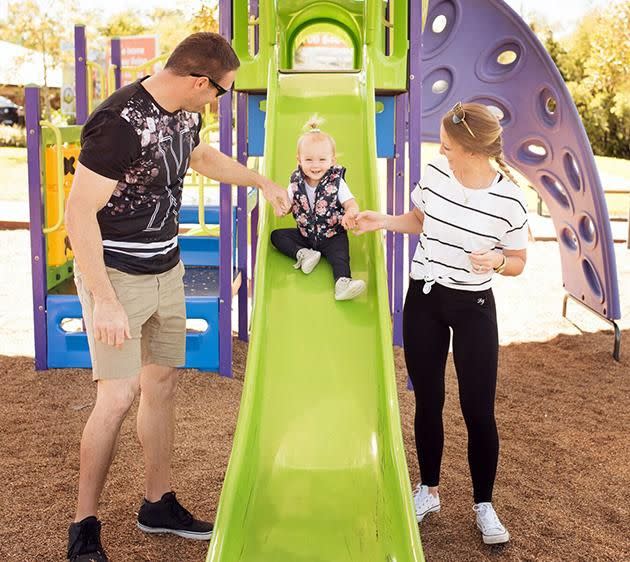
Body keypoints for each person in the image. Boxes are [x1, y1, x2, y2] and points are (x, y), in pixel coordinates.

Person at [64, 32, 290, 562]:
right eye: (222, 91)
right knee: (117, 398)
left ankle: (157, 503)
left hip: (167, 269)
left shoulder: (185, 112)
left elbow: (199, 155)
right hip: (116, 276)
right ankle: (83, 524)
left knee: (160, 384)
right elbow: (78, 213)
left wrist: (260, 180)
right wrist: (105, 300)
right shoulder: (120, 123)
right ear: (198, 81)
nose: (219, 100)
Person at [356, 102, 528, 545]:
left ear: (473, 149)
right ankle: (428, 490)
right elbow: (418, 219)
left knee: (478, 410)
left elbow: (519, 261)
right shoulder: (435, 175)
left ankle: (484, 505)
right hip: (425, 299)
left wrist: (498, 259)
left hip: (474, 307)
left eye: (449, 145)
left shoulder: (510, 199)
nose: (443, 150)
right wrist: (382, 221)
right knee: (428, 401)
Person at [270, 117, 366, 301]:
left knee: (340, 256)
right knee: (277, 236)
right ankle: (304, 255)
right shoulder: (295, 182)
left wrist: (350, 213)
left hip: (332, 235)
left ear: (332, 160)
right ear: (299, 160)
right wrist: (282, 209)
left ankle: (342, 284)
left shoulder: (337, 182)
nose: (315, 165)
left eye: (322, 159)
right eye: (309, 159)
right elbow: (287, 204)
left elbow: (351, 204)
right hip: (305, 235)